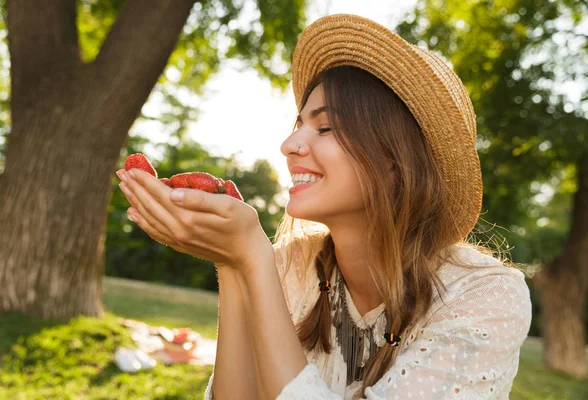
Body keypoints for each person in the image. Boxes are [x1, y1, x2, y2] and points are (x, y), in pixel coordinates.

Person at [117, 13, 532, 400]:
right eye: (299, 124)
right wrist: (231, 263)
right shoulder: (290, 265)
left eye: (324, 126)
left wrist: (252, 257)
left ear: (394, 161)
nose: (289, 146)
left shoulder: (486, 295)